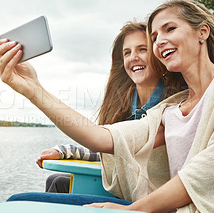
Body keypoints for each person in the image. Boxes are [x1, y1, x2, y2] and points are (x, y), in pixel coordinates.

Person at [0, 0, 214, 213]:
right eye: (155, 36)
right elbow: (100, 138)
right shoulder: (169, 111)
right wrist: (32, 88)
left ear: (202, 31)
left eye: (169, 29)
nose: (160, 40)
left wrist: (134, 211)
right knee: (18, 204)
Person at [36, 21, 185, 194]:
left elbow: (118, 144)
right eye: (127, 52)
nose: (133, 57)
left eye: (142, 49)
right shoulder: (122, 104)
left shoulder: (172, 105)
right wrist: (65, 151)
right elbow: (108, 148)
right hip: (125, 186)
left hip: (149, 195)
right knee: (56, 181)